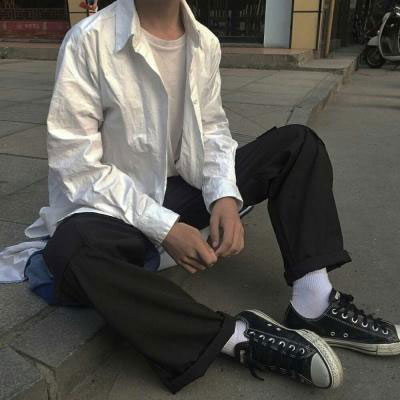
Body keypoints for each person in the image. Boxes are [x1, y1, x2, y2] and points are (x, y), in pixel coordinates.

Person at [0, 0, 399, 394]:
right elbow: (76, 165)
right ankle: (237, 336)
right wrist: (165, 227)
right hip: (114, 213)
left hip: (181, 193)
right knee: (71, 248)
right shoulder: (89, 40)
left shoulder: (204, 42)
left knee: (297, 144)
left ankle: (314, 301)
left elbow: (212, 129)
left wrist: (223, 196)